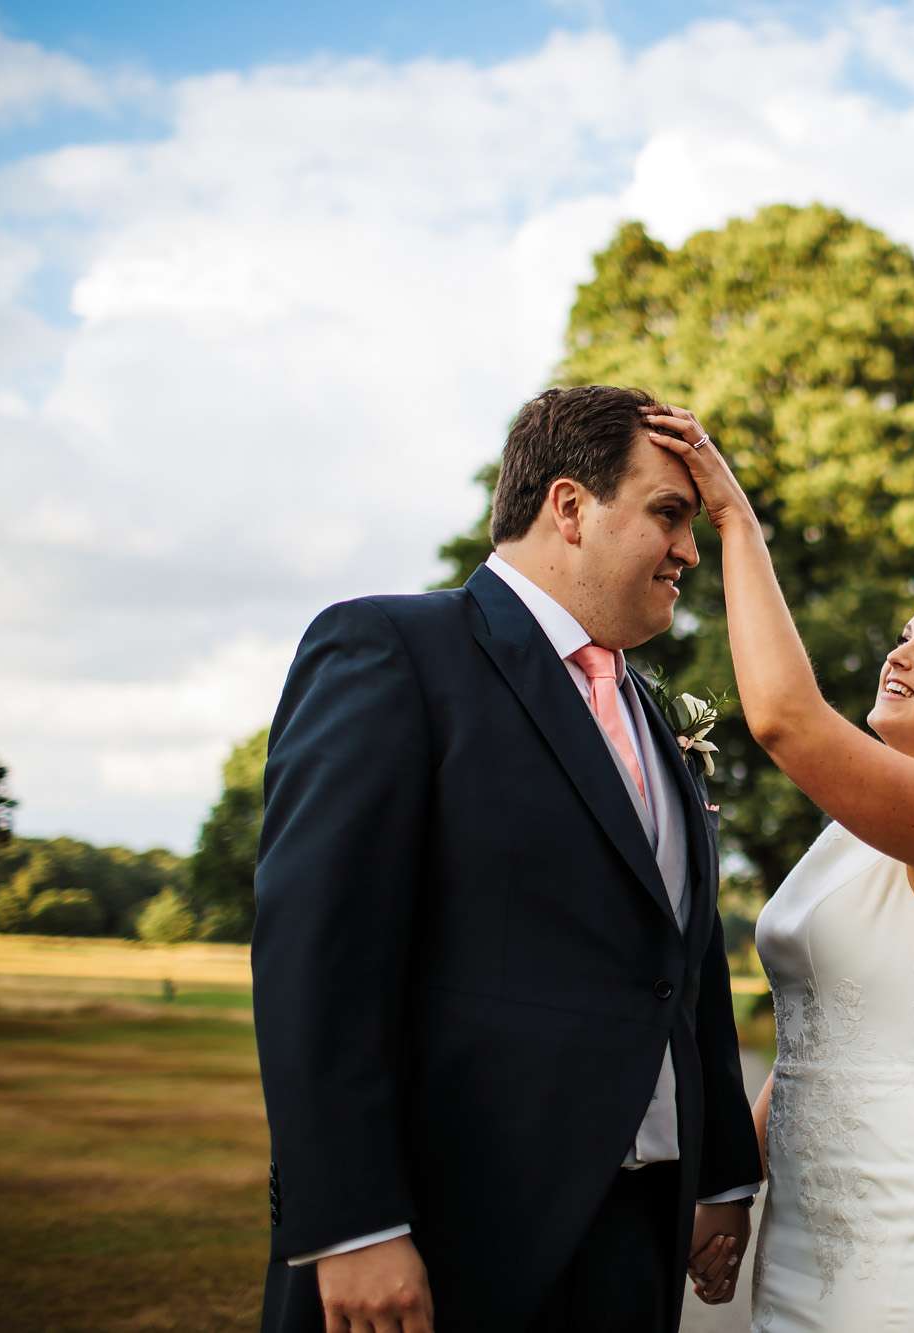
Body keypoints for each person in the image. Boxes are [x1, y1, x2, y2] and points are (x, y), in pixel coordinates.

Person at [251, 385, 761, 1332]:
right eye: (669, 515)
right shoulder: (393, 651)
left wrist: (720, 1166)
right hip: (451, 1229)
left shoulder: (655, 711)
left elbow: (682, 965)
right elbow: (317, 956)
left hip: (632, 1240)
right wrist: (352, 1221)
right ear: (569, 508)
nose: (692, 549)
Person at [639, 404, 914, 1331]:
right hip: (805, 1223)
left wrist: (734, 519)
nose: (899, 652)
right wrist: (733, 1188)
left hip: (913, 1229)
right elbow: (812, 1043)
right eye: (908, 633)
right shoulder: (853, 829)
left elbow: (787, 718)